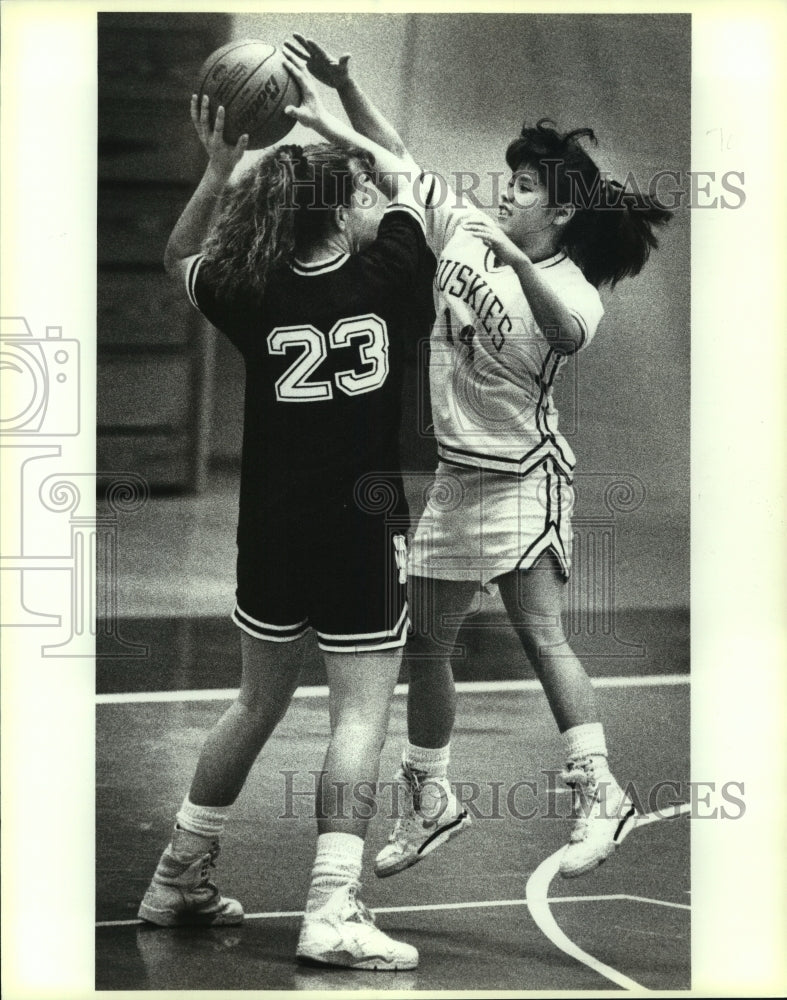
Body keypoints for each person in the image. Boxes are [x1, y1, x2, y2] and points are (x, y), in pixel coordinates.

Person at [286, 35, 672, 881]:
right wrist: (343, 97)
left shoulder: (569, 289)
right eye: (511, 182)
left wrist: (512, 265)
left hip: (525, 479)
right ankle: (430, 796)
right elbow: (397, 160)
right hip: (460, 480)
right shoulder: (465, 230)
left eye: (525, 188)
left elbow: (566, 336)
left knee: (541, 636)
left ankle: (598, 791)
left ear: (560, 212)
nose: (508, 194)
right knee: (425, 643)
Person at [137, 59, 433, 970]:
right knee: (357, 720)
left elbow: (179, 256)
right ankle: (331, 909)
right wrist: (345, 121)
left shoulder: (251, 288)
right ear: (342, 209)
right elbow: (412, 180)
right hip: (359, 525)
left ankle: (178, 877)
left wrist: (219, 168)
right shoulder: (389, 273)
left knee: (255, 701)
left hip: (269, 525)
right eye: (349, 196)